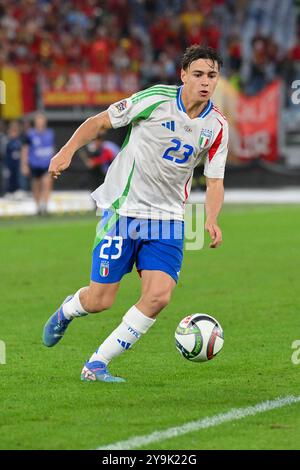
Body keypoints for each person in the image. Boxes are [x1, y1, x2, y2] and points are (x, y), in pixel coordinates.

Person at [43, 45, 228, 383]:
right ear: (183, 75)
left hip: (169, 219)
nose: (205, 82)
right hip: (123, 210)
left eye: (212, 76)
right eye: (198, 74)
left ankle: (97, 364)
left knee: (158, 296)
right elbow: (101, 122)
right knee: (100, 299)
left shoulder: (217, 126)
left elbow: (215, 181)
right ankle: (67, 310)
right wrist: (67, 150)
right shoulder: (155, 99)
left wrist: (212, 219)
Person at [21, 112, 55, 215]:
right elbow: (25, 149)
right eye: (38, 121)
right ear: (35, 123)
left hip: (46, 164)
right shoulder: (30, 134)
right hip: (35, 164)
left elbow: (52, 148)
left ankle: (45, 205)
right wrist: (24, 165)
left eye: (42, 121)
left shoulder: (50, 133)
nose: (40, 123)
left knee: (47, 183)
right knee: (36, 186)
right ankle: (37, 207)